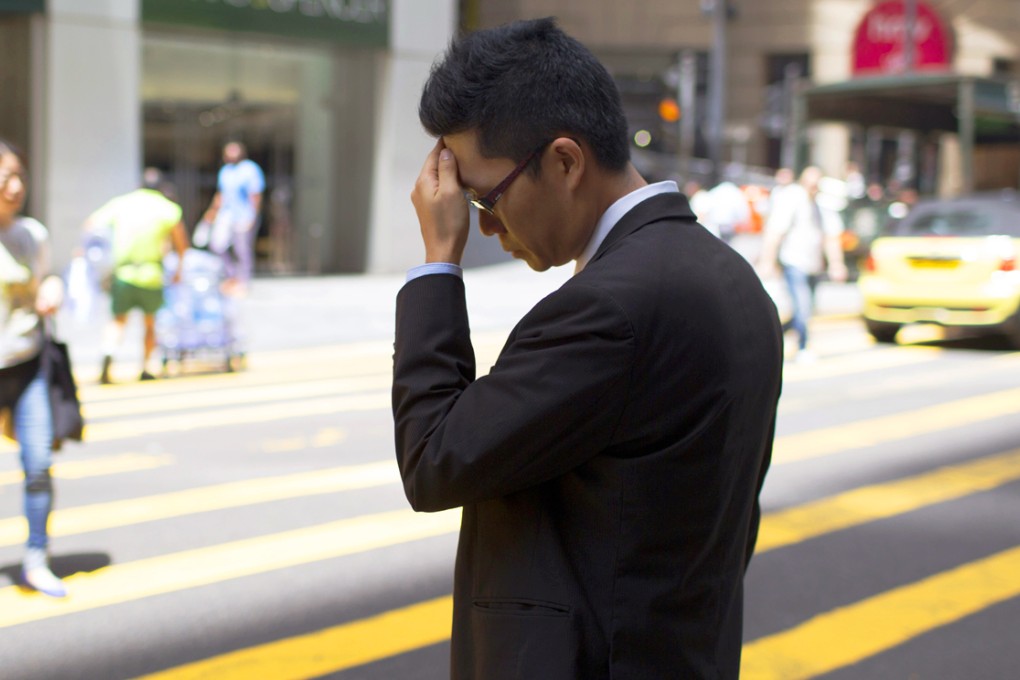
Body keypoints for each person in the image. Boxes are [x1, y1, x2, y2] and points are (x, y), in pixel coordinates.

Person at [392, 18, 783, 679]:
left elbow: (433, 458)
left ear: (565, 161)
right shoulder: (733, 280)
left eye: (486, 199)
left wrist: (438, 261)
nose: (483, 225)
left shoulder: (607, 310)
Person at [0, 140, 68, 597]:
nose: (16, 185)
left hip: (27, 364)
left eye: (20, 174)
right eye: (6, 176)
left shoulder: (31, 235)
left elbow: (47, 278)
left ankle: (37, 557)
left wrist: (55, 289)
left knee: (39, 463)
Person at [85, 168, 188, 384]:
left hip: (123, 273)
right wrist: (179, 269)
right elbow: (181, 243)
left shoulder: (123, 203)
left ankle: (108, 351)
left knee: (118, 320)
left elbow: (91, 225)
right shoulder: (167, 208)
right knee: (150, 323)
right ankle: (146, 366)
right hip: (151, 274)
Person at [757, 165, 848, 362]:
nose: (813, 188)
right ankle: (802, 346)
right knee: (802, 306)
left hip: (813, 264)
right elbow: (775, 231)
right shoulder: (792, 199)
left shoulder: (824, 204)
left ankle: (772, 339)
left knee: (804, 309)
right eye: (810, 184)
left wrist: (836, 264)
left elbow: (832, 237)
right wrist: (767, 261)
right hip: (794, 262)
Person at [198, 141, 265, 291]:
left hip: (244, 215)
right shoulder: (225, 171)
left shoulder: (250, 169)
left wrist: (253, 216)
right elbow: (221, 195)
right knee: (217, 244)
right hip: (227, 214)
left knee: (242, 249)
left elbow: (255, 195)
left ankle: (244, 281)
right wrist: (211, 213)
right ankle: (232, 276)